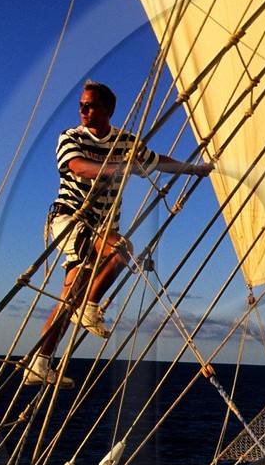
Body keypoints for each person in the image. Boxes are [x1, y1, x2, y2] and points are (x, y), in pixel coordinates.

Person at [23, 81, 212, 386]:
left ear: (108, 109)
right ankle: (91, 306)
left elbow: (156, 162)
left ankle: (40, 363)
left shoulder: (126, 142)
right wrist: (117, 168)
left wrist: (193, 169)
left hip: (102, 226)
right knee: (121, 249)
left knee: (68, 297)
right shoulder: (71, 137)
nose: (84, 110)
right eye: (82, 105)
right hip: (70, 220)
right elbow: (78, 166)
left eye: (91, 105)